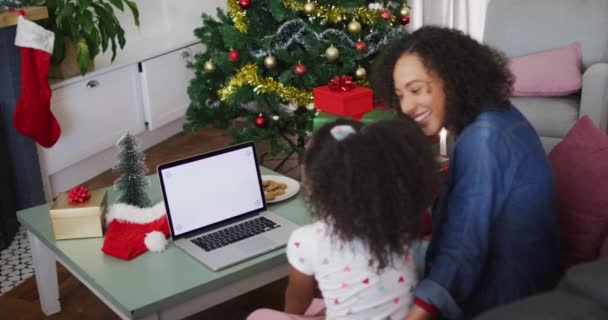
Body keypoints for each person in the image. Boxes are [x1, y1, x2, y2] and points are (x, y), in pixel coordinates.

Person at [371, 26, 561, 320]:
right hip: (515, 275)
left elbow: (461, 251)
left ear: (452, 79)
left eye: (416, 90)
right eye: (400, 95)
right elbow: (457, 193)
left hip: (504, 298)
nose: (406, 106)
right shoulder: (494, 114)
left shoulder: (485, 138)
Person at [248, 117, 436, 320]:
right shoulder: (400, 223)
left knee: (258, 315)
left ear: (310, 181)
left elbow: (300, 300)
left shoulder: (307, 240)